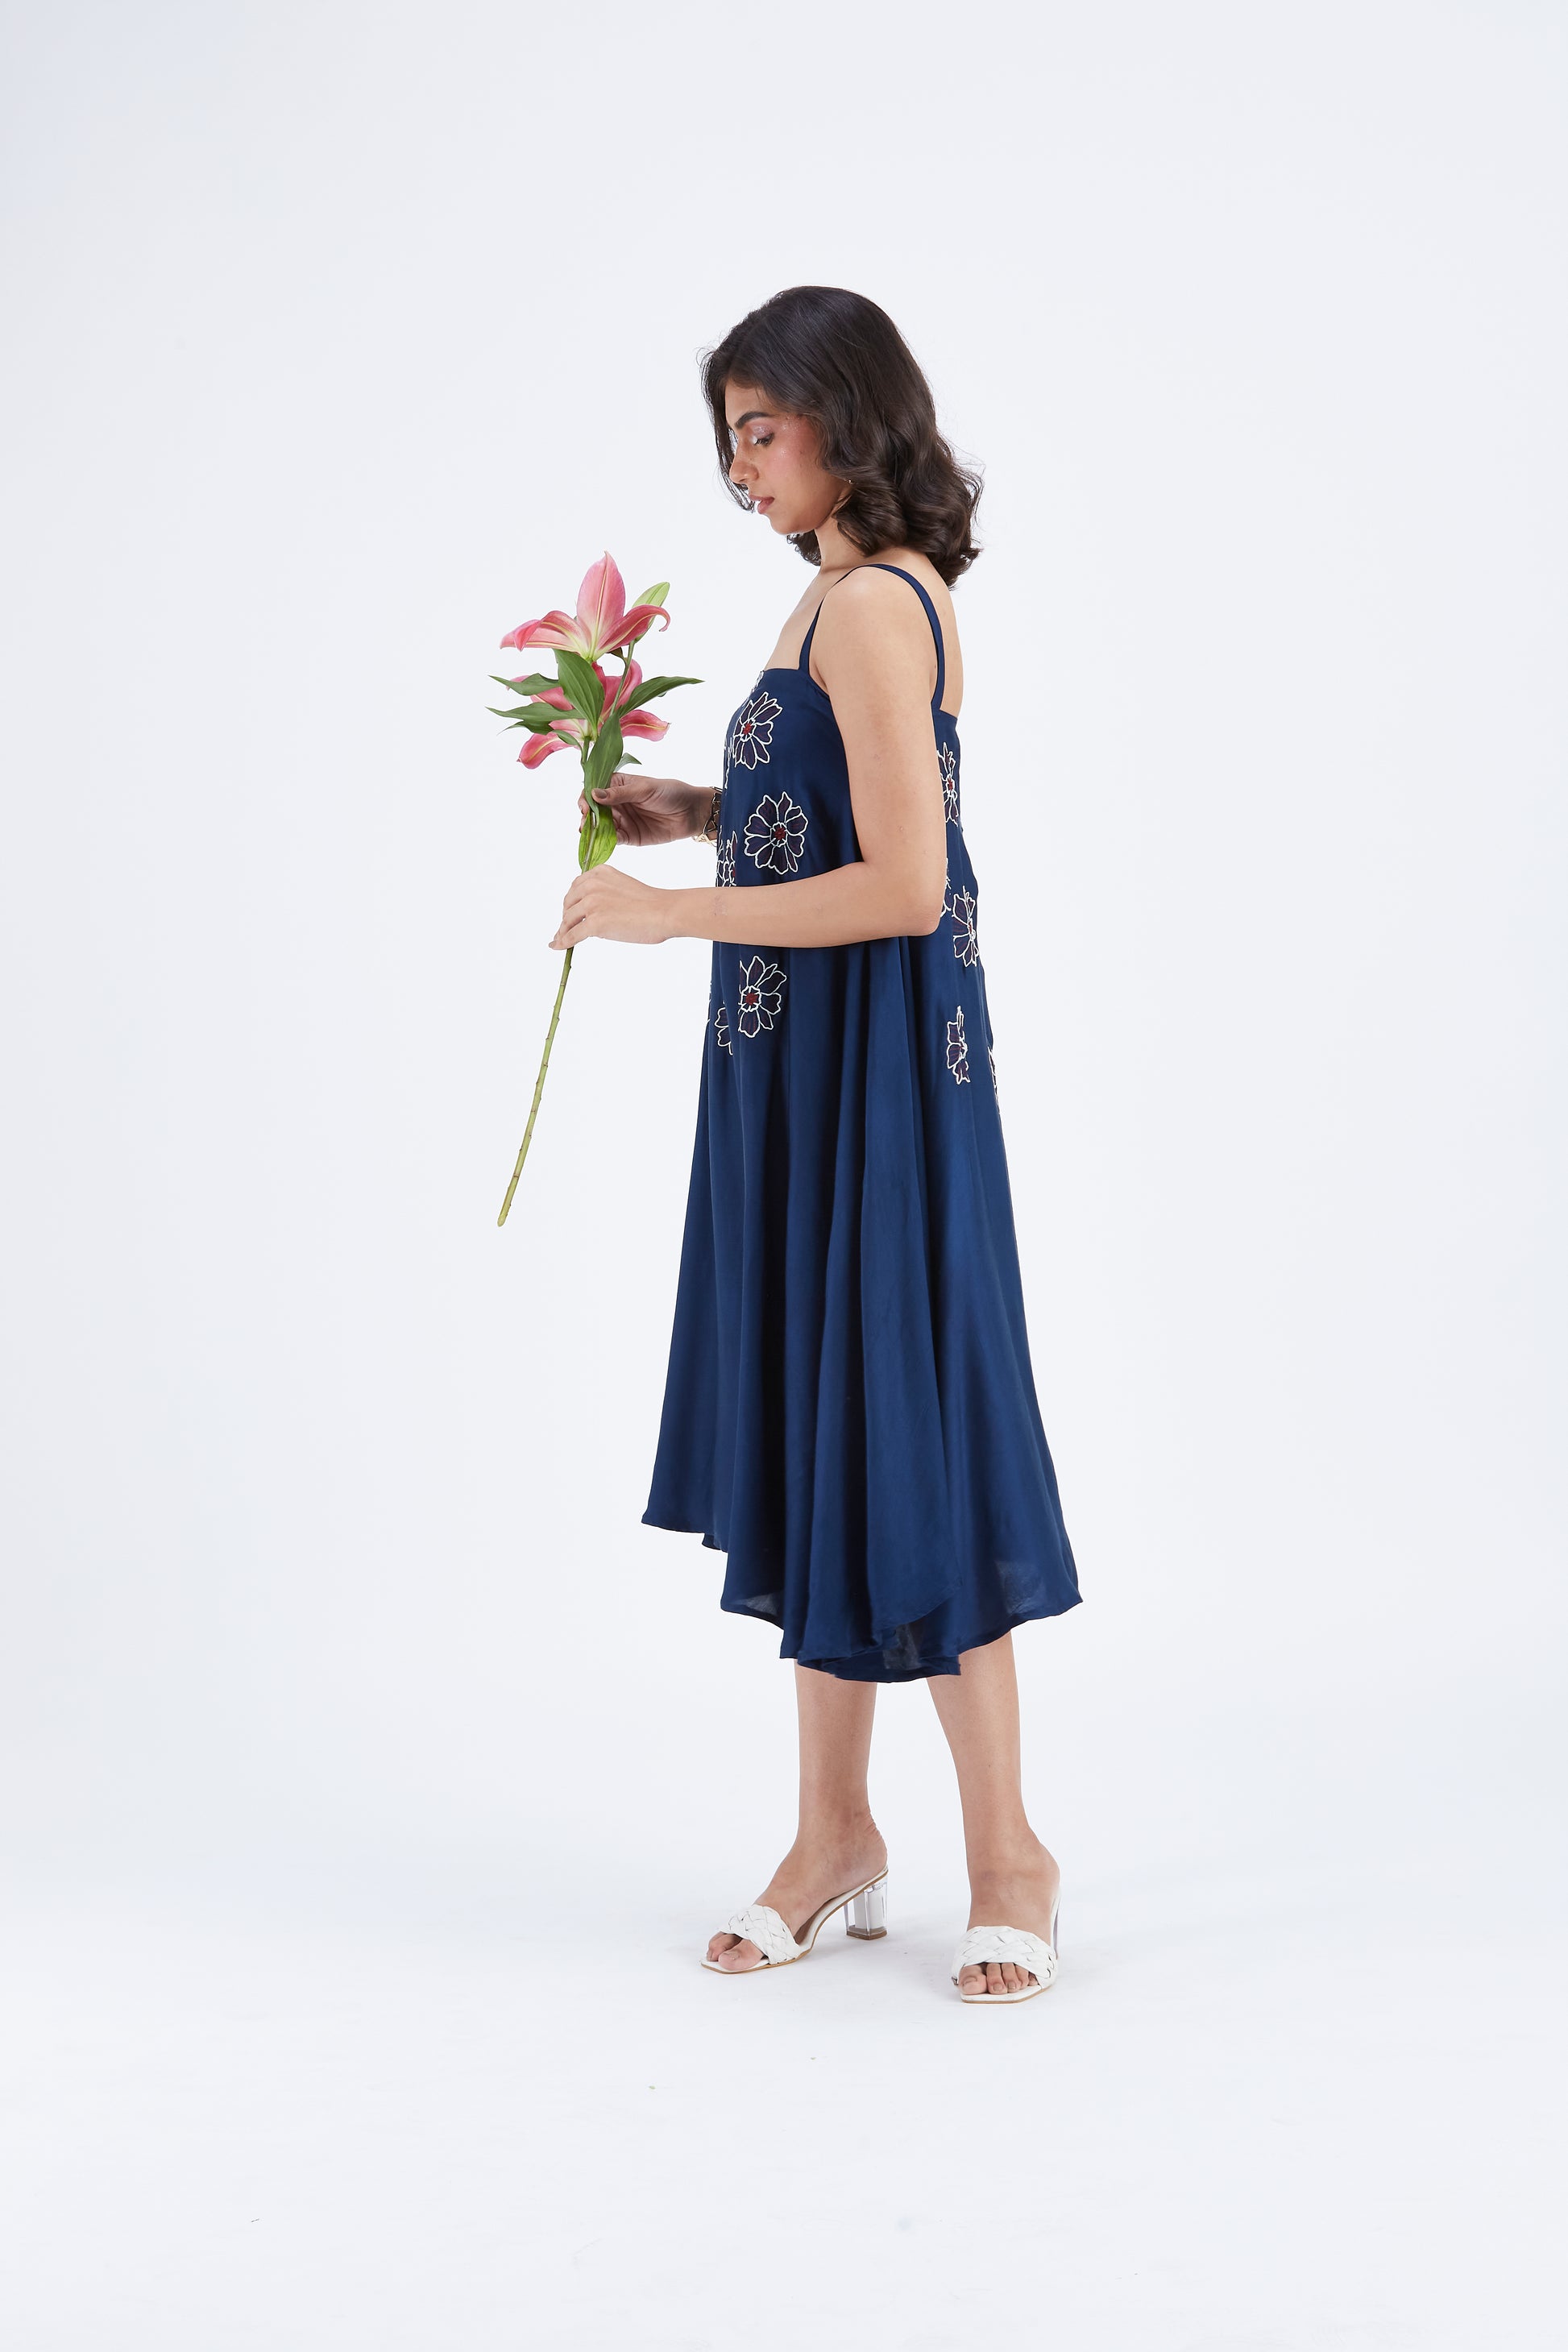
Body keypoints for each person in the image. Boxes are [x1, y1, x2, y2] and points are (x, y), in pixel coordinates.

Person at [552, 286, 1081, 2002]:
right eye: (727, 437)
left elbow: (910, 886)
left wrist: (667, 912)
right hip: (809, 1069)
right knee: (825, 1421)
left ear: (846, 416)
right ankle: (833, 1832)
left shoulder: (867, 603)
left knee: (912, 1419)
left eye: (760, 428)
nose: (739, 464)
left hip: (873, 1085)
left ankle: (1008, 1853)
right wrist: (702, 811)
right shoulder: (837, 596)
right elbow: (843, 813)